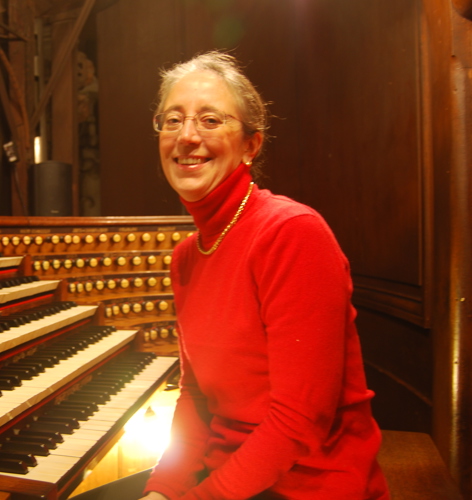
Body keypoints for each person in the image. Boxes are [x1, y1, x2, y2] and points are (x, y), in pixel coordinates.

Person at [133, 51, 391, 499]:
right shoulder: (187, 255)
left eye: (210, 120)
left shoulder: (292, 233)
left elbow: (299, 420)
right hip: (226, 476)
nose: (187, 136)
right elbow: (195, 397)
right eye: (172, 120)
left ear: (251, 145)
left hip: (308, 483)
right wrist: (164, 487)